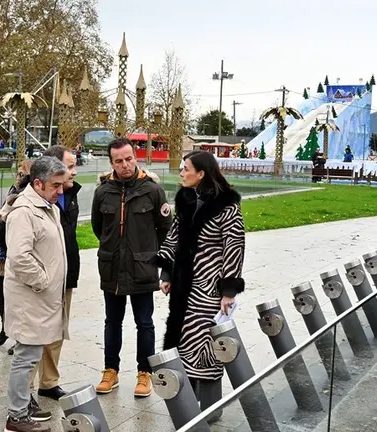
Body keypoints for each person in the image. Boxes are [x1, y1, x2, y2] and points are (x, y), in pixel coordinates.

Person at [153, 150, 245, 420]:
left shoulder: (227, 206)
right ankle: (186, 402)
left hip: (209, 286)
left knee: (204, 344)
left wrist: (228, 291)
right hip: (184, 286)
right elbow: (173, 238)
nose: (181, 173)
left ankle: (210, 408)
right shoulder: (186, 200)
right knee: (181, 339)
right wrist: (167, 273)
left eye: (186, 169)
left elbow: (234, 246)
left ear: (201, 173)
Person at [91, 138, 172, 397]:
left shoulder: (152, 190)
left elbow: (166, 232)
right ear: (111, 162)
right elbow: (98, 228)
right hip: (112, 268)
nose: (125, 165)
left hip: (142, 268)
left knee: (144, 323)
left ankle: (144, 373)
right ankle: (110, 371)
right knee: (112, 322)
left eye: (129, 159)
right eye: (119, 161)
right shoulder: (103, 192)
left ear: (135, 157)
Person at [2, 156, 69, 432]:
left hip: (40, 298)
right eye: (56, 185)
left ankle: (24, 404)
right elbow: (19, 257)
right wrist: (43, 281)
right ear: (38, 183)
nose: (61, 191)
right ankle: (16, 417)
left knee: (31, 351)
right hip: (31, 297)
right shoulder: (24, 211)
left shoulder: (46, 205)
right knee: (26, 357)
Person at [26, 145, 80, 400]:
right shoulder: (31, 199)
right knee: (35, 336)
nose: (74, 172)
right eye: (69, 166)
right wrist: (42, 278)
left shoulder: (70, 195)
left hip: (64, 275)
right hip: (41, 281)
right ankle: (24, 392)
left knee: (58, 330)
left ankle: (49, 382)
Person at [0, 160, 32, 349]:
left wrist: (3, 215)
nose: (18, 177)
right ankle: (5, 328)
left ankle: (20, 337)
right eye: (18, 173)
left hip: (16, 253)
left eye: (23, 174)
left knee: (17, 297)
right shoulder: (12, 192)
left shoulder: (28, 196)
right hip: (2, 252)